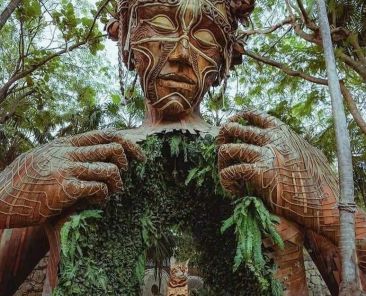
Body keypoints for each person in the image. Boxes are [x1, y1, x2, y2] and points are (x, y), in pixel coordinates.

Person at [0, 0, 365, 294]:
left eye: (206, 38)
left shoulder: (268, 157)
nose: (181, 54)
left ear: (223, 60)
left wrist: (329, 209)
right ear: (126, 37)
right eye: (160, 24)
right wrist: (8, 193)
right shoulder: (79, 163)